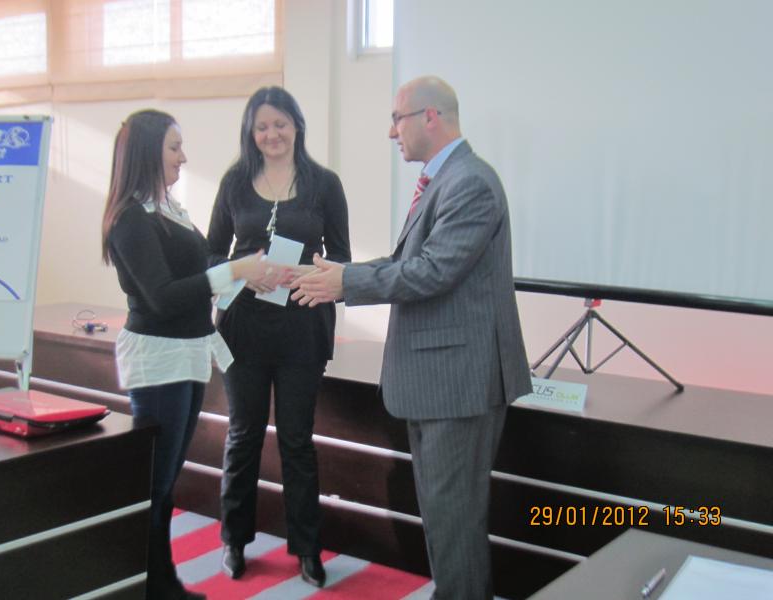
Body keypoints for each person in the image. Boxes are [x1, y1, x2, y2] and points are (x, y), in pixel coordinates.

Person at [291, 76, 532, 599]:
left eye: (396, 119)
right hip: (440, 381)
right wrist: (344, 274)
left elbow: (433, 271)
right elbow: (409, 262)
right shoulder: (446, 179)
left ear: (430, 117)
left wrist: (347, 283)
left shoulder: (469, 182)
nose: (391, 132)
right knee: (446, 520)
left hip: (458, 385)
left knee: (454, 521)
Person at [102, 109, 286, 600]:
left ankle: (161, 580)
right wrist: (234, 271)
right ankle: (151, 583)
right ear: (148, 153)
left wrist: (244, 272)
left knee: (167, 482)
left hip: (187, 353)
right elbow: (163, 297)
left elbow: (196, 273)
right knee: (157, 484)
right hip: (159, 358)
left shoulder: (168, 208)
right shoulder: (131, 219)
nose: (183, 157)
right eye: (174, 147)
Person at [207, 86, 351, 588]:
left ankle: (308, 549)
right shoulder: (234, 181)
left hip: (302, 327)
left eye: (280, 124)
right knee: (243, 435)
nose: (272, 134)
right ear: (251, 132)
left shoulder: (324, 184)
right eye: (262, 126)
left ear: (297, 126)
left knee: (296, 440)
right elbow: (210, 255)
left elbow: (343, 259)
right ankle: (234, 540)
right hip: (242, 327)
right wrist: (244, 272)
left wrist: (309, 272)